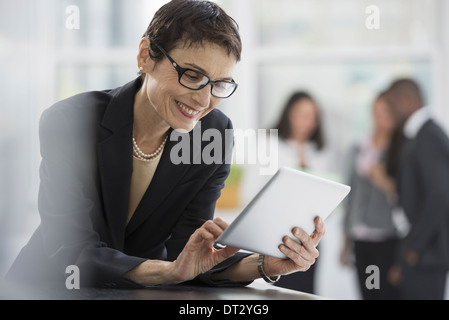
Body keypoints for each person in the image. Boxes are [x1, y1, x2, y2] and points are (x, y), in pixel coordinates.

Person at [5, 0, 325, 291]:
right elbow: (71, 249)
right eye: (192, 75)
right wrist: (167, 273)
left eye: (219, 84)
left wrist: (264, 263)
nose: (203, 99)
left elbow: (190, 255)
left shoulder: (212, 134)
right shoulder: (71, 122)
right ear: (145, 55)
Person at [385, 79, 449, 300]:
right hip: (419, 251)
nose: (390, 112)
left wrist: (414, 249)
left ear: (406, 100)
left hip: (426, 254)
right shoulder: (418, 135)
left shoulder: (428, 135)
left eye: (392, 105)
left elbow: (439, 195)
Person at [340, 92, 401, 300]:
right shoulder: (359, 147)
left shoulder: (398, 150)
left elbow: (402, 193)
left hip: (388, 238)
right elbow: (349, 196)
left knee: (386, 293)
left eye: (386, 112)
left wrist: (380, 177)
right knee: (368, 292)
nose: (380, 117)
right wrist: (345, 243)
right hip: (360, 237)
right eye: (376, 111)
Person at [269, 91, 331, 294]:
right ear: (289, 114)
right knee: (277, 290)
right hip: (278, 236)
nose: (309, 121)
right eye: (303, 114)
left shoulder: (320, 151)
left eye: (313, 116)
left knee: (306, 291)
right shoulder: (270, 145)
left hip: (310, 238)